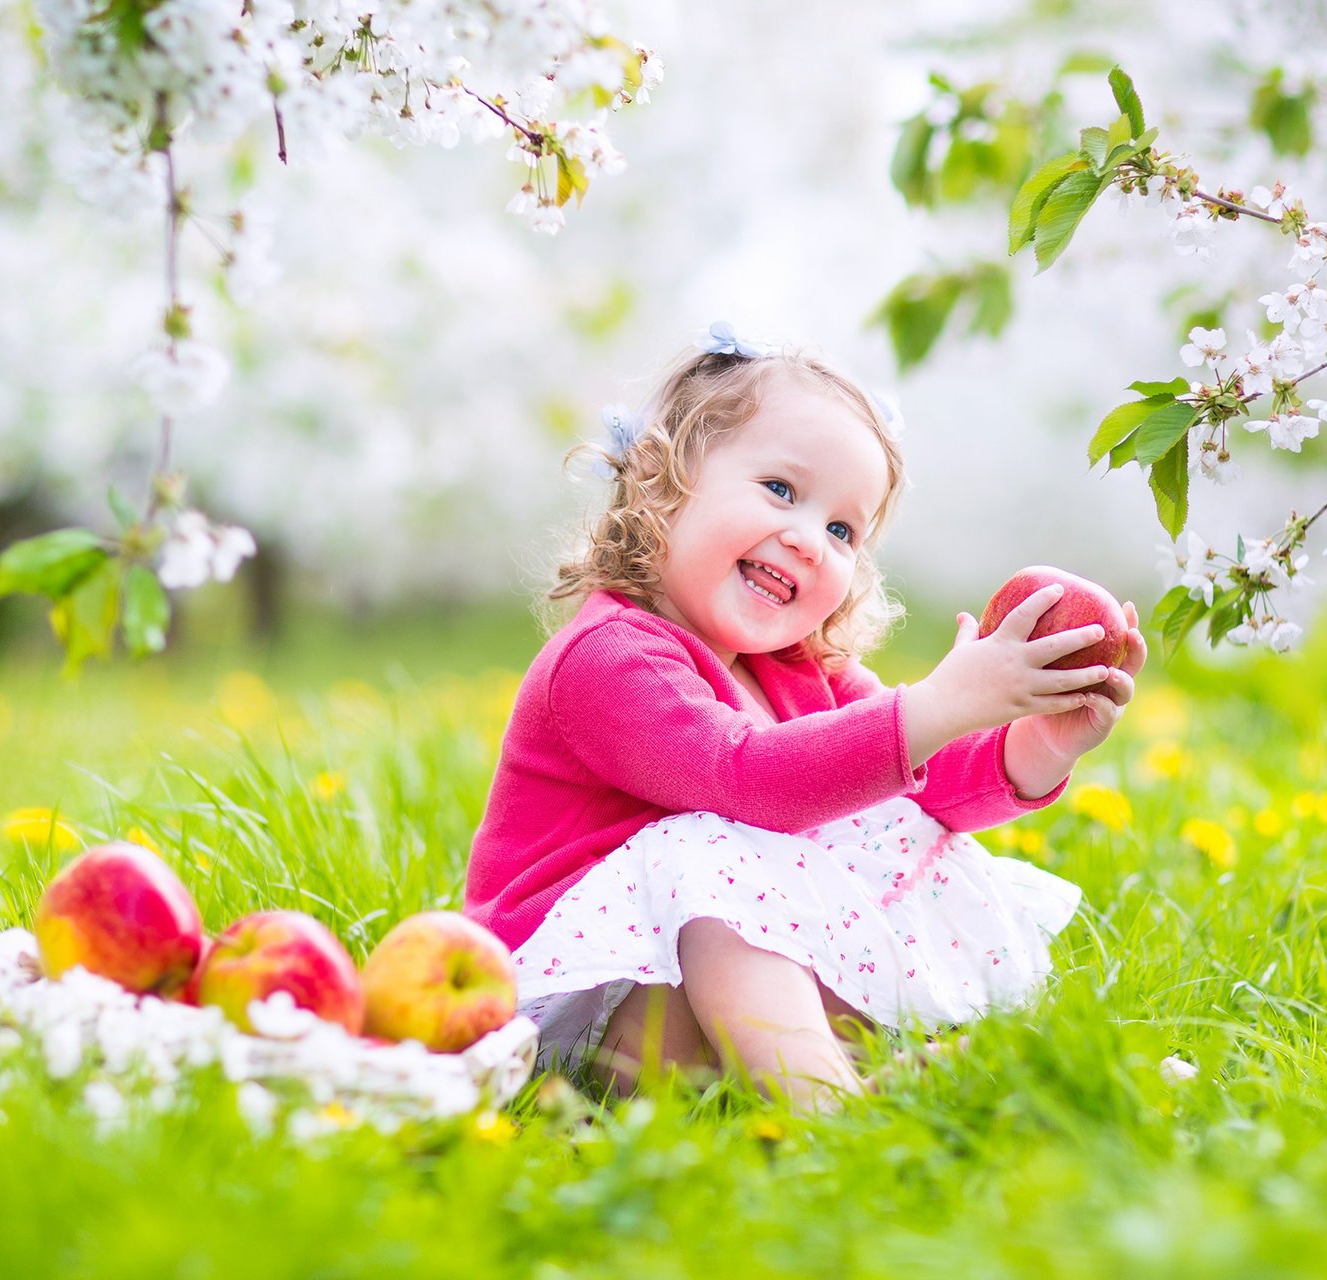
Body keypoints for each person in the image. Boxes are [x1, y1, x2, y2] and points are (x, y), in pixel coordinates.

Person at [463, 322, 1148, 1110]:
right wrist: (941, 700)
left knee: (882, 836)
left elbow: (924, 789)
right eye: (781, 491)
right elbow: (747, 777)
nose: (810, 541)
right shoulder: (610, 658)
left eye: (842, 530)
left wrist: (1038, 741)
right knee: (710, 845)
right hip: (584, 1019)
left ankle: (891, 1073)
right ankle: (829, 1110)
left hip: (701, 1006)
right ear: (662, 479)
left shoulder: (796, 669)